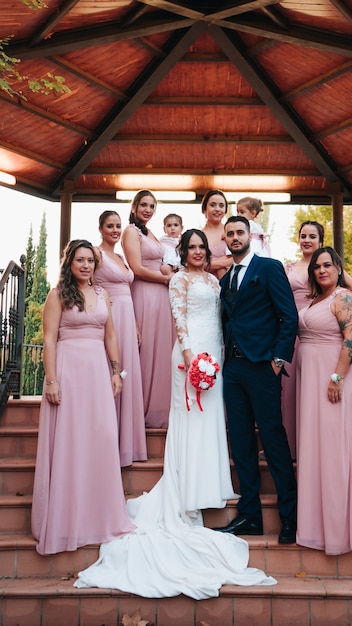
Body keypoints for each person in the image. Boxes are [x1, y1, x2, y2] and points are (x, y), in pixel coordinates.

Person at [74, 229, 276, 599]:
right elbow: (179, 318)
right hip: (190, 355)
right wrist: (188, 355)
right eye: (192, 247)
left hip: (215, 353)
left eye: (202, 247)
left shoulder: (216, 283)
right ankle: (189, 484)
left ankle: (212, 482)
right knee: (191, 417)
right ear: (182, 251)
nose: (198, 252)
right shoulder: (178, 279)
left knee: (212, 419)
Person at [31, 240, 135, 555]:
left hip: (97, 374)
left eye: (90, 260)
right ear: (70, 263)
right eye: (80, 260)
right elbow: (49, 339)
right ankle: (66, 519)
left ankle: (100, 516)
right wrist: (51, 380)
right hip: (68, 371)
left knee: (102, 437)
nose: (86, 265)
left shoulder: (103, 295)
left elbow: (111, 335)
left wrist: (117, 372)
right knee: (71, 440)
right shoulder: (57, 294)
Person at [215, 215, 298, 544]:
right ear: (225, 240)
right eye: (230, 234)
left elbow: (288, 315)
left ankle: (289, 517)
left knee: (273, 439)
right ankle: (249, 516)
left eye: (239, 232)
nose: (234, 237)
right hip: (232, 370)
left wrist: (277, 360)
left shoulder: (269, 267)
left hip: (263, 367)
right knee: (241, 442)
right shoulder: (225, 280)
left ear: (249, 236)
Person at [296, 246, 352, 555]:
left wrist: (337, 378)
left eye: (328, 265)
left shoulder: (344, 297)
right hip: (314, 380)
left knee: (335, 450)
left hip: (336, 379)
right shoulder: (315, 299)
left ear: (339, 268)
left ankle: (340, 530)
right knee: (320, 449)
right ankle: (317, 526)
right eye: (317, 266)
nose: (322, 270)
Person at [281, 220, 352, 459]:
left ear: (321, 240)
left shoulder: (330, 273)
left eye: (312, 236)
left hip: (324, 328)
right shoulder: (288, 268)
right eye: (303, 235)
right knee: (294, 390)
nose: (307, 240)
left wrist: (331, 305)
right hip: (297, 330)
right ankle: (296, 443)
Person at [94, 210, 147, 466]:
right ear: (101, 228)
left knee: (128, 375)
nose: (115, 230)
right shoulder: (96, 253)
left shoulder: (121, 256)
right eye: (110, 226)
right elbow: (89, 285)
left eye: (117, 226)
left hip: (128, 319)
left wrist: (135, 324)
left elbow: (129, 290)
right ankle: (106, 442)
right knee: (111, 373)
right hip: (111, 316)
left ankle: (127, 444)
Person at [122, 190, 176, 428]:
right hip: (145, 293)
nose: (148, 209)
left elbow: (160, 261)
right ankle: (140, 409)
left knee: (161, 351)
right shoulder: (130, 232)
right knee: (146, 351)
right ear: (134, 207)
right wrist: (165, 279)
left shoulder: (149, 232)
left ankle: (159, 407)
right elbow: (136, 268)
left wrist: (169, 272)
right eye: (143, 205)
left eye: (152, 206)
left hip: (162, 296)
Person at [201, 189, 232, 279]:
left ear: (225, 210)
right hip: (204, 285)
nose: (217, 209)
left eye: (221, 205)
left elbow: (242, 257)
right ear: (204, 208)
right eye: (212, 205)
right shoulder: (197, 236)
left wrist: (209, 264)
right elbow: (192, 265)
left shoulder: (233, 233)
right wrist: (226, 262)